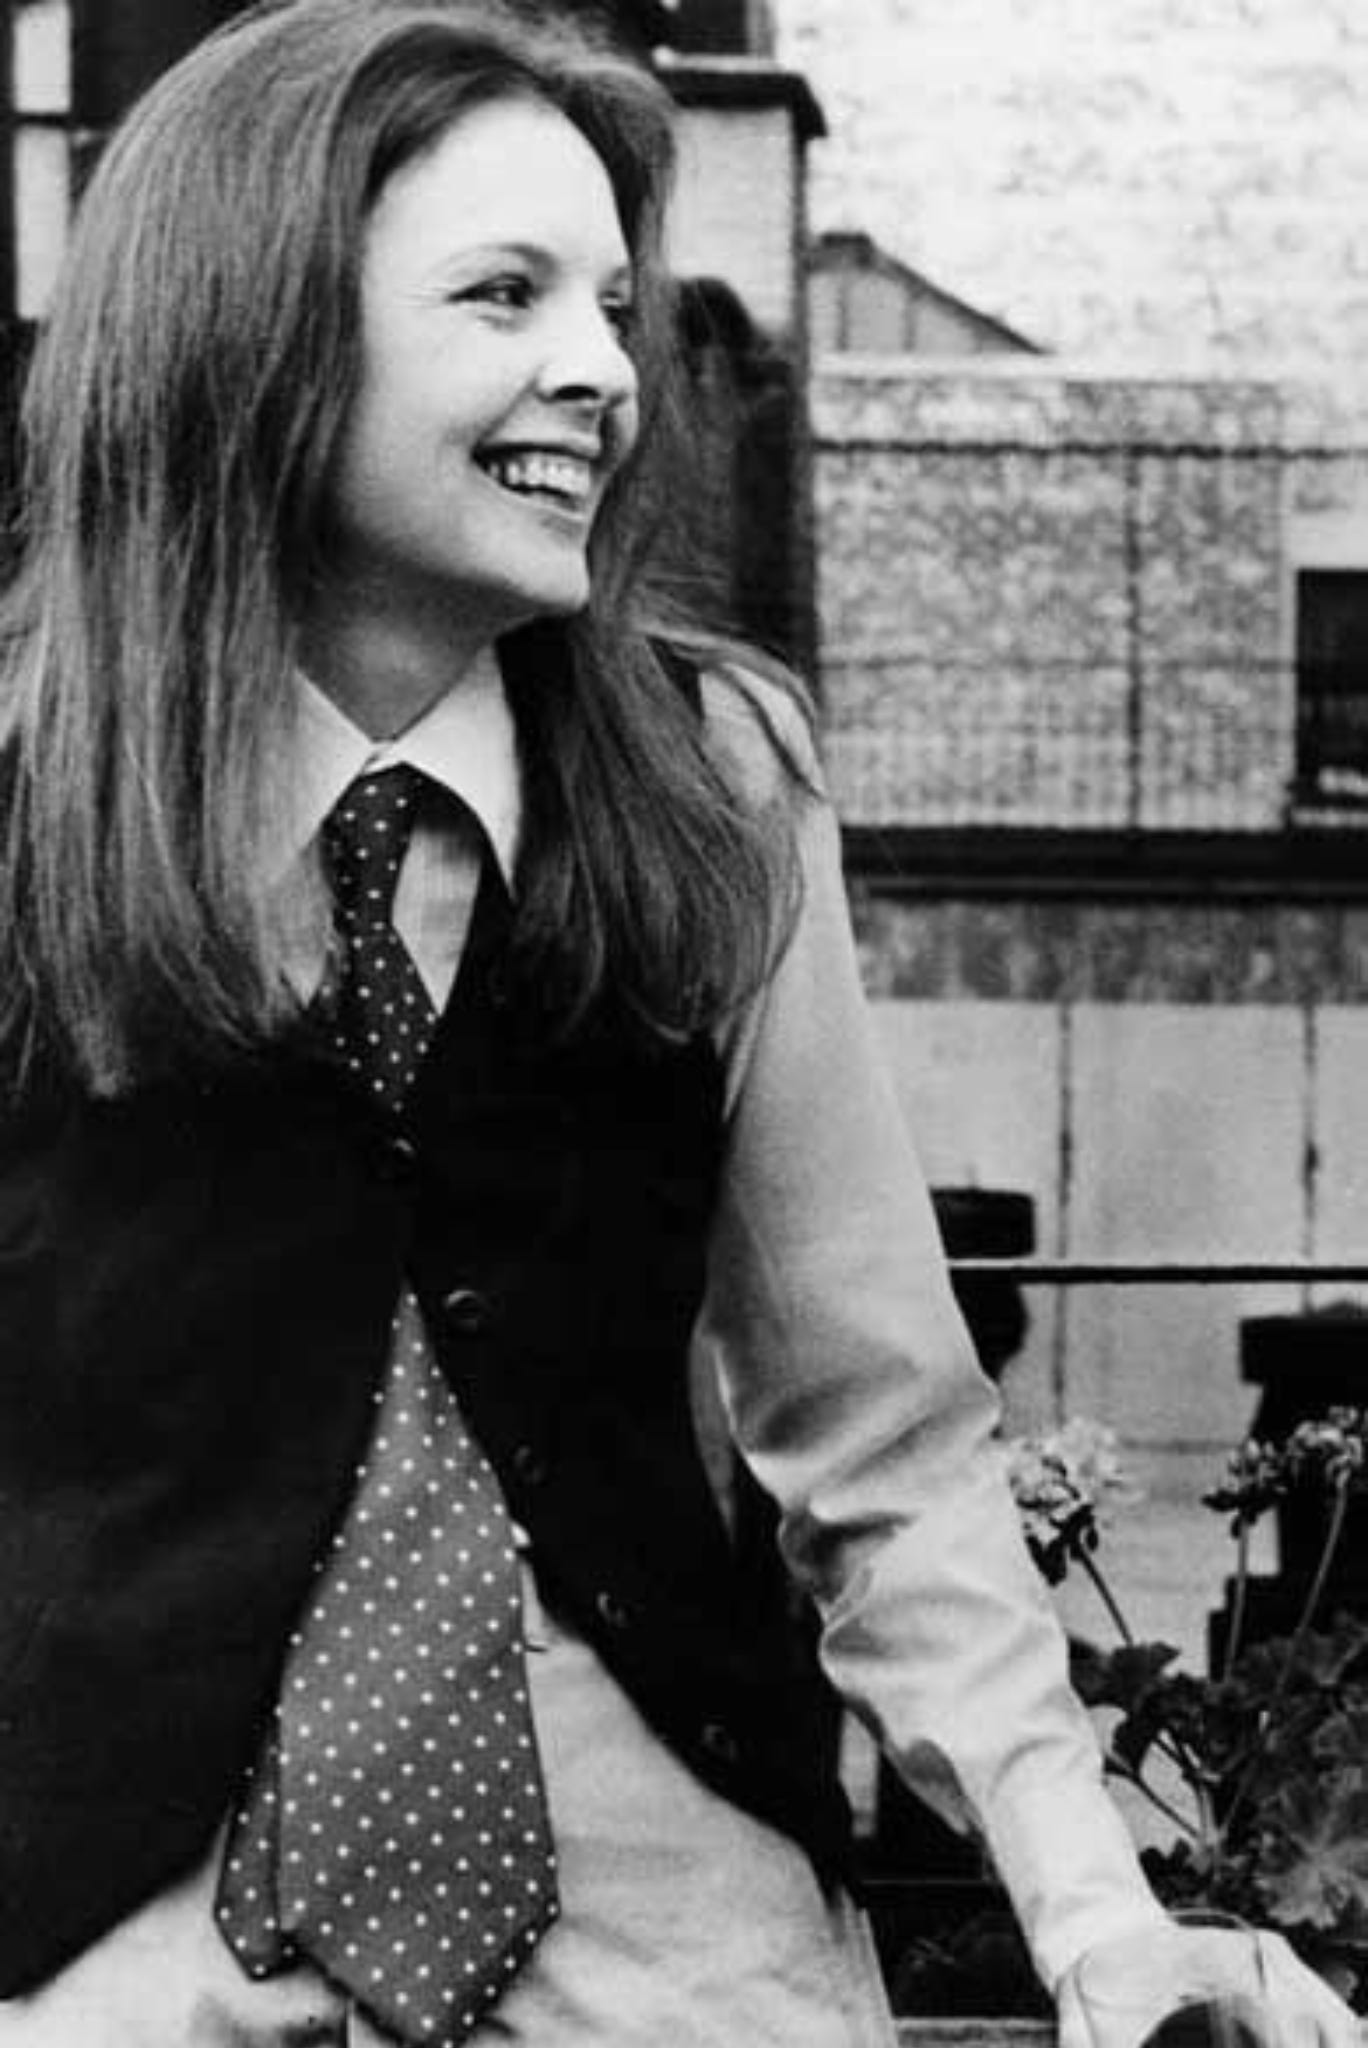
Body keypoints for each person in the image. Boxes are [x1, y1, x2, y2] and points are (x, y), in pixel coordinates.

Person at [0, 3, 1353, 2045]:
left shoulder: (715, 788)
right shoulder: (28, 801)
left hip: (670, 1955)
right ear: (252, 336)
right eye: (505, 293)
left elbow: (886, 1441)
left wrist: (1101, 1923)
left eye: (616, 306)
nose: (605, 371)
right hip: (112, 1941)